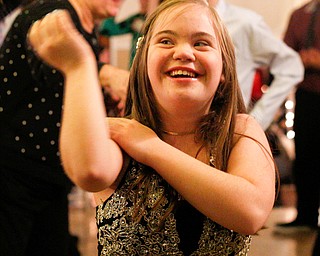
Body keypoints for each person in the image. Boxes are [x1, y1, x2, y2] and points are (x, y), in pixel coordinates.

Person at [28, 0, 278, 255]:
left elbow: (251, 212)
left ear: (224, 69)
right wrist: (79, 68)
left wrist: (150, 147)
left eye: (201, 43)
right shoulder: (121, 138)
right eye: (166, 41)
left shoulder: (240, 131)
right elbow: (89, 171)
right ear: (143, 64)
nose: (183, 53)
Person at [0, 0, 125, 255]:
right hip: (12, 175)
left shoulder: (87, 26)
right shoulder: (52, 15)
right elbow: (54, 61)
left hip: (49, 178)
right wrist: (104, 72)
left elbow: (66, 94)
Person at [208, 0, 304, 131]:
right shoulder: (172, 18)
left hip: (228, 134)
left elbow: (291, 66)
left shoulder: (244, 23)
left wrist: (257, 120)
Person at [275, 0, 320, 233]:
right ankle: (305, 217)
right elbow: (286, 53)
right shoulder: (300, 14)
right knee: (305, 157)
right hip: (307, 95)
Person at [99, 0, 163, 67]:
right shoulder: (135, 19)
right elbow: (108, 30)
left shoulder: (162, 19)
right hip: (135, 67)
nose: (140, 2)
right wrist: (116, 5)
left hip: (151, 65)